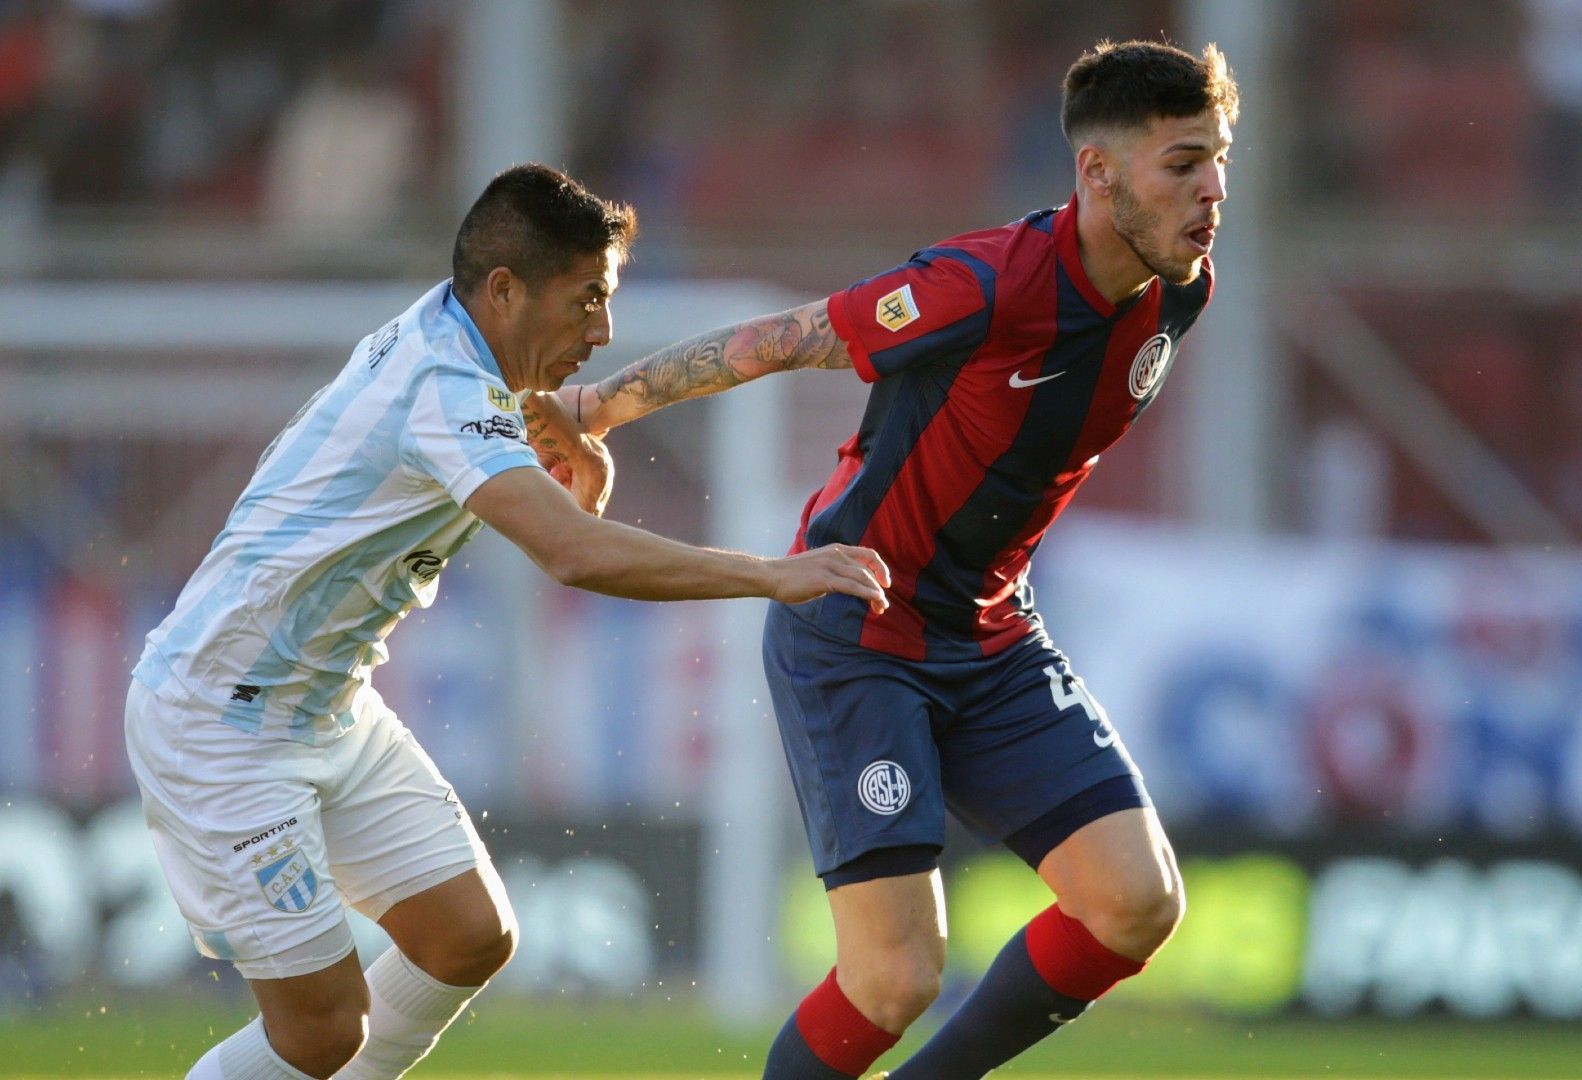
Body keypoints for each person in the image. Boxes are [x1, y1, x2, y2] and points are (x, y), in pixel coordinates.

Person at [553, 40, 1236, 1079]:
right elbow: (787, 338)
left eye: (1218, 160)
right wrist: (600, 406)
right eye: (1183, 163)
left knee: (1137, 902)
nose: (1212, 191)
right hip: (856, 629)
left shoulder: (1179, 290)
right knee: (895, 977)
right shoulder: (986, 284)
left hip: (992, 633)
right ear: (1097, 172)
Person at [126, 163, 890, 1080]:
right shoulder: (445, 388)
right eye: (587, 301)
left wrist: (568, 455)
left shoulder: (456, 344)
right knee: (323, 1034)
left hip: (324, 708)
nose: (601, 331)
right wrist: (775, 574)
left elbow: (527, 462)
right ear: (503, 290)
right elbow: (573, 555)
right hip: (221, 725)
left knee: (468, 938)